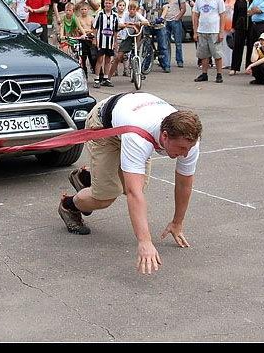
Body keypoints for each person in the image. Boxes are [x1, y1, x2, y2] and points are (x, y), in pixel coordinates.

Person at [57, 92, 202, 275]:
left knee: (133, 186)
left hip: (129, 116)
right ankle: (69, 205)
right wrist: (145, 242)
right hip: (104, 126)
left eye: (189, 149)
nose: (186, 154)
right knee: (105, 196)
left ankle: (88, 177)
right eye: (181, 148)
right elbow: (135, 194)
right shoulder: (139, 138)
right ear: (164, 136)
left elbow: (184, 184)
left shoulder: (189, 141)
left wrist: (177, 222)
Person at [192, 0, 226, 83]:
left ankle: (219, 74)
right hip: (202, 30)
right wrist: (195, 31)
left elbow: (222, 15)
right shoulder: (199, 0)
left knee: (217, 53)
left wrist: (221, 31)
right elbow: (195, 15)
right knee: (204, 54)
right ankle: (204, 74)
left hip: (214, 30)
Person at [230, 0, 255, 75]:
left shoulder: (255, 0)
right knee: (237, 47)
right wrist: (233, 26)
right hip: (240, 26)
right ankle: (234, 68)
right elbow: (235, 14)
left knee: (251, 47)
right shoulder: (239, 0)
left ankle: (249, 67)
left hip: (252, 27)